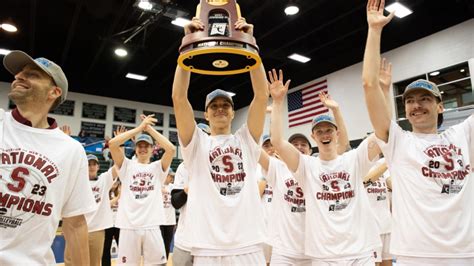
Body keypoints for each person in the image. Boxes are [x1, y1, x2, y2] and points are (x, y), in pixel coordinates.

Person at [362, 0, 473, 264]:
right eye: (410, 100)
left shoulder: (463, 135)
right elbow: (368, 85)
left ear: (440, 105)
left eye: (424, 99)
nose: (416, 105)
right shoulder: (398, 141)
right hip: (416, 255)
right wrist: (374, 31)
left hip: (466, 253)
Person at [172, 16, 269, 265]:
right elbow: (179, 98)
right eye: (213, 106)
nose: (220, 109)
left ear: (233, 112)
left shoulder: (246, 140)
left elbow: (261, 95)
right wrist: (187, 45)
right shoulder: (196, 144)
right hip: (206, 247)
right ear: (205, 113)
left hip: (247, 244)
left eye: (225, 104)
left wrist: (251, 45)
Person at [269, 69, 382, 264]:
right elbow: (277, 141)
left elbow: (383, 129)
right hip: (323, 255)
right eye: (319, 131)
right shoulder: (306, 166)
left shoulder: (354, 159)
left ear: (337, 133)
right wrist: (278, 103)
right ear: (313, 137)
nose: (325, 134)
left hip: (359, 253)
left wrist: (381, 89)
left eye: (329, 130)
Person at [0, 50, 96, 265]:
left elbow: (75, 223)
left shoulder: (71, 150)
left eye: (32, 74)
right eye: (19, 73)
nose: (19, 76)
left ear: (54, 92)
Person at [259, 86, 351, 265]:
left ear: (311, 149)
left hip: (316, 248)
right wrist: (272, 110)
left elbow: (342, 144)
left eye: (303, 144)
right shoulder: (277, 168)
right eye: (294, 144)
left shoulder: (320, 166)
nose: (299, 147)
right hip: (284, 249)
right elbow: (261, 145)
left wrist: (336, 110)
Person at [108, 114, 176, 265]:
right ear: (135, 149)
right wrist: (139, 128)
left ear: (152, 149)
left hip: (152, 225)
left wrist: (149, 129)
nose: (143, 148)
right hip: (128, 226)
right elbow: (112, 144)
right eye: (140, 145)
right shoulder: (126, 165)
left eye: (147, 146)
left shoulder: (157, 167)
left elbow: (171, 149)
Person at [65, 154, 119, 266]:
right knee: (71, 263)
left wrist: (119, 143)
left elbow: (118, 164)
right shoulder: (76, 181)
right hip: (76, 229)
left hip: (96, 230)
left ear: (98, 167)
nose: (91, 167)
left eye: (94, 164)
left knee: (94, 263)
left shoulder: (104, 180)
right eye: (89, 164)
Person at [170, 123, 211, 266]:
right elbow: (175, 201)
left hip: (211, 242)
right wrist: (187, 190)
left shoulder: (218, 166)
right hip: (186, 240)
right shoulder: (183, 167)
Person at [161, 170, 176, 259]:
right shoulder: (158, 185)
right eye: (170, 176)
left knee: (167, 244)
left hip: (170, 221)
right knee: (159, 244)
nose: (172, 178)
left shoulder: (173, 187)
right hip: (160, 221)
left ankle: (165, 262)